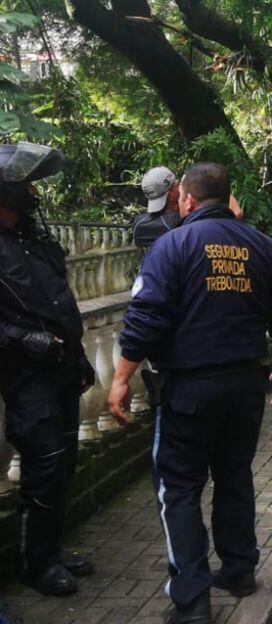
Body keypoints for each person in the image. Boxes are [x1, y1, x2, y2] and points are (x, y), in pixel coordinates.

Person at [107, 163, 272, 624]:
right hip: (245, 388)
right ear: (228, 197)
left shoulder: (171, 246)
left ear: (186, 200)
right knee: (235, 475)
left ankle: (192, 601)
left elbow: (146, 318)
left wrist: (119, 379)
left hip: (189, 391)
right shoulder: (262, 245)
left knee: (178, 490)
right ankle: (238, 571)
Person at [0, 142, 97, 595]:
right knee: (43, 463)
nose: (35, 193)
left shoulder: (34, 240)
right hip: (25, 375)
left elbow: (62, 301)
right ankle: (34, 564)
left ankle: (51, 551)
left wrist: (77, 357)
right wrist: (25, 340)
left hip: (60, 368)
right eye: (27, 185)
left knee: (65, 461)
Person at [132, 166, 181, 248]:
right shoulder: (179, 224)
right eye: (177, 185)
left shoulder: (139, 224)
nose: (180, 188)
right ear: (171, 195)